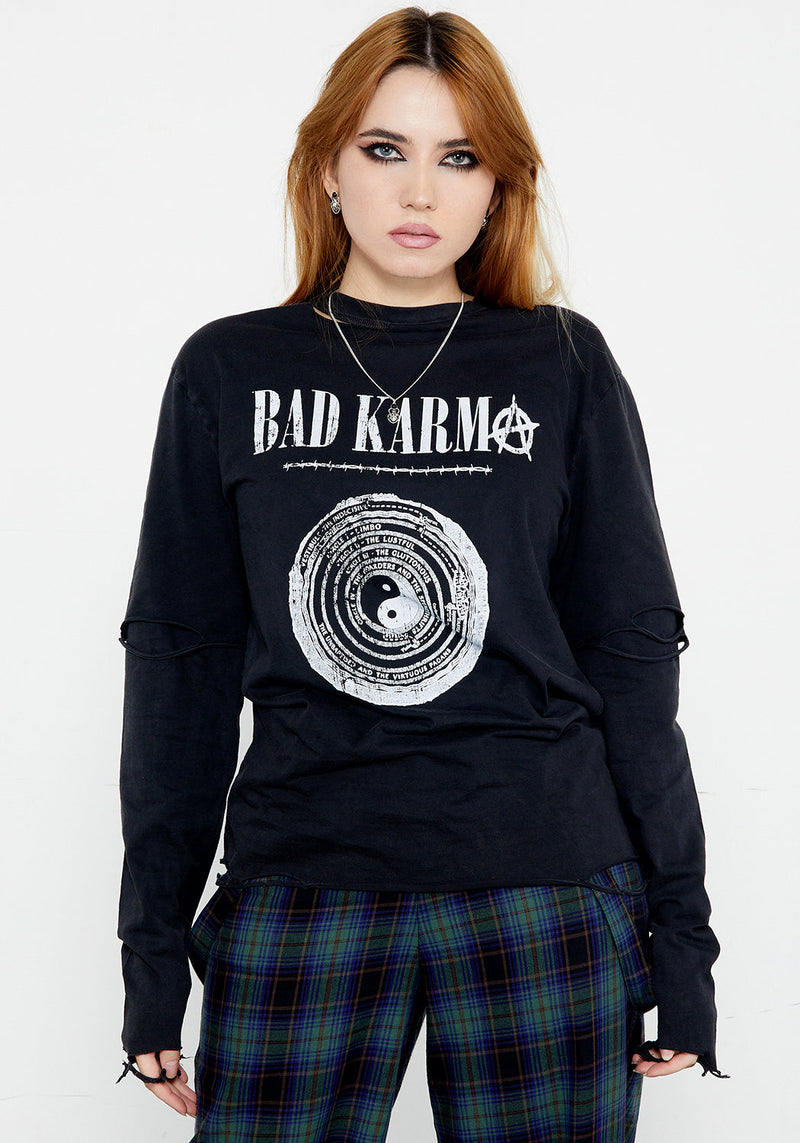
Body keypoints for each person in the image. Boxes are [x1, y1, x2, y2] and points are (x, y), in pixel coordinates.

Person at [114, 7, 727, 1140]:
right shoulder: (228, 367)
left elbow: (632, 652)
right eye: (384, 149)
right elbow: (178, 667)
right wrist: (151, 954)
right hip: (302, 881)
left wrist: (682, 944)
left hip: (544, 886)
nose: (418, 191)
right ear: (327, 168)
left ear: (497, 187)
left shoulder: (560, 363)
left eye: (459, 158)